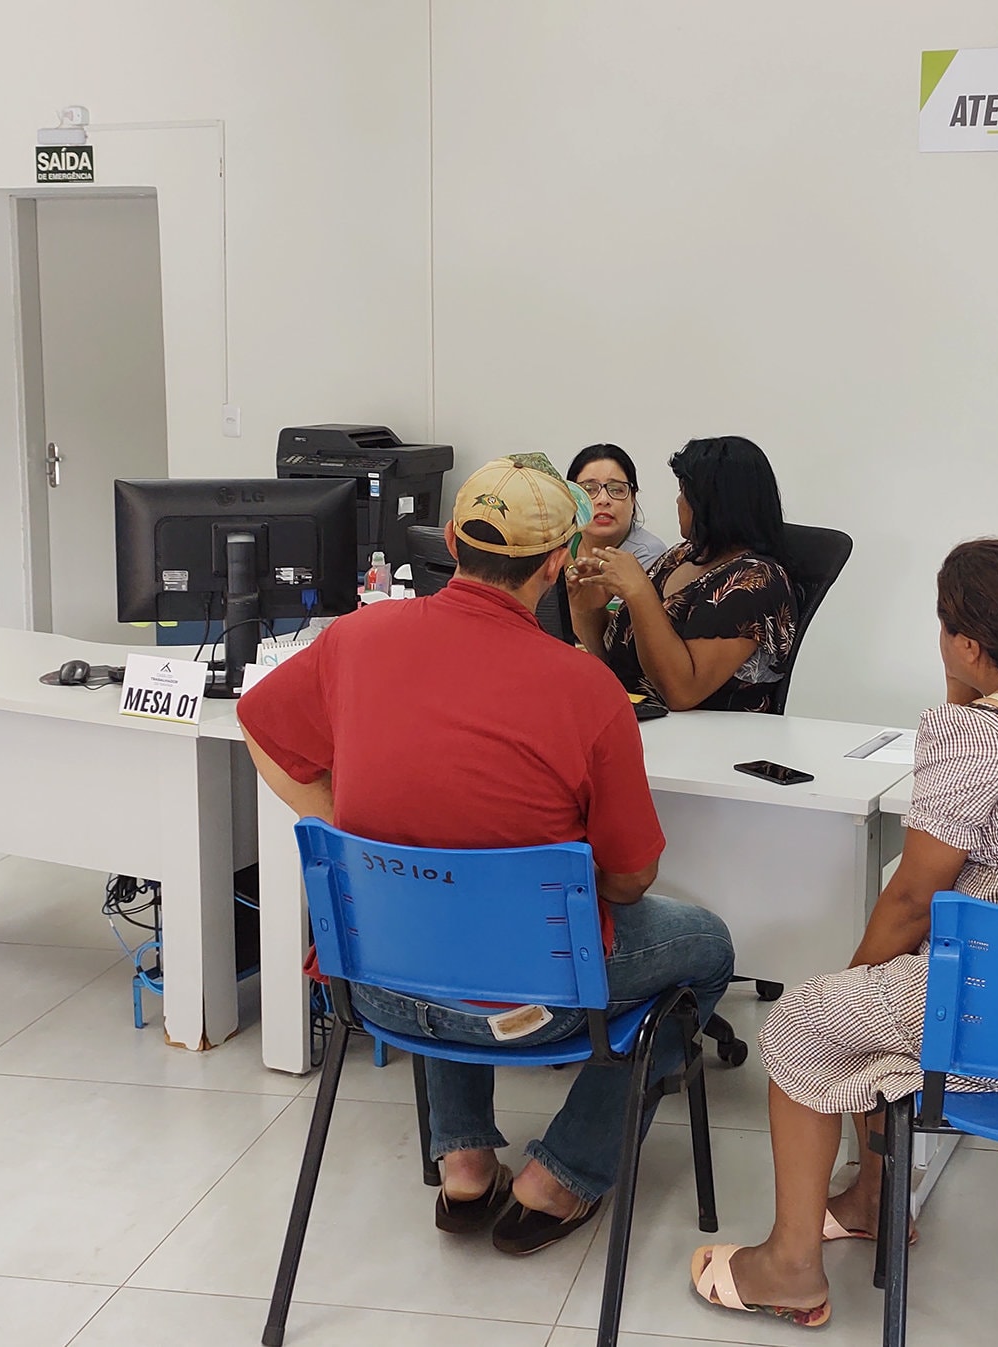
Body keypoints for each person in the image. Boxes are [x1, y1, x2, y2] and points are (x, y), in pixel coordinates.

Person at [237, 453, 735, 1256]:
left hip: (379, 990)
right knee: (708, 949)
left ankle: (463, 1162)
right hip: (539, 1006)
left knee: (441, 897)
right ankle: (563, 1173)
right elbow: (632, 879)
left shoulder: (356, 639)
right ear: (555, 562)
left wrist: (339, 830)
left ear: (451, 540)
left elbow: (258, 724)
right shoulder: (584, 688)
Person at [688, 539, 998, 1327]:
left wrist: (848, 988)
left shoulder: (975, 734)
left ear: (969, 643)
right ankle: (875, 1201)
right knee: (891, 997)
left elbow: (913, 897)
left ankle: (789, 1266)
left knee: (810, 1020)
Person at [570, 435, 797, 712]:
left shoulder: (755, 582)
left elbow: (681, 693)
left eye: (684, 492)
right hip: (632, 720)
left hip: (706, 742)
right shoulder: (680, 556)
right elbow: (614, 659)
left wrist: (639, 591)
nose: (678, 502)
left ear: (713, 503)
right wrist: (586, 607)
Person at [567, 442, 668, 569]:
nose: (603, 500)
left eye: (616, 489)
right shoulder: (561, 540)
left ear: (632, 499)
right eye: (589, 489)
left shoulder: (650, 553)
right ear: (571, 498)